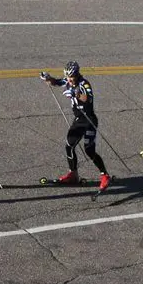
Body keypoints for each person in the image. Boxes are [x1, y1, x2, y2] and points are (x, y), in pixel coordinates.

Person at [40, 61, 111, 191]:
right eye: (67, 76)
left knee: (89, 151)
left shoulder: (84, 83)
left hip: (89, 120)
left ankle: (105, 175)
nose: (69, 79)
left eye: (71, 77)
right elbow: (56, 82)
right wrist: (48, 78)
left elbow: (88, 98)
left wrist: (75, 94)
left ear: (77, 74)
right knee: (69, 146)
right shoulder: (68, 81)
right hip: (79, 120)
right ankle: (73, 174)